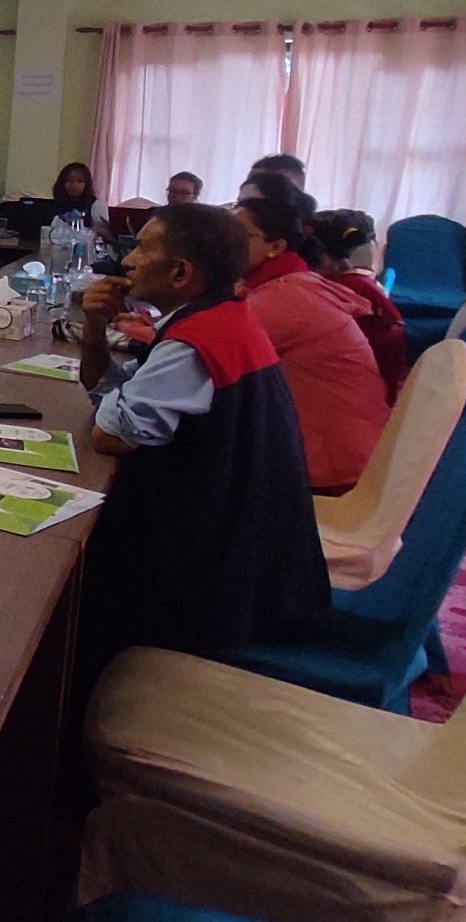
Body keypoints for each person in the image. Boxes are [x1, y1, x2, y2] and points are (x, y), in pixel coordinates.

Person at [76, 202, 329, 674]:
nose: (127, 261)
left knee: (73, 568)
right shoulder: (216, 319)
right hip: (241, 532)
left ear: (180, 273)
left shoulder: (196, 344)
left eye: (142, 250)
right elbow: (111, 394)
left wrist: (115, 404)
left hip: (216, 570)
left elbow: (110, 434)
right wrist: (93, 329)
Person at [234, 175, 391, 495]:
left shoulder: (282, 297)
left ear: (275, 247)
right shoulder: (293, 281)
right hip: (357, 454)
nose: (222, 243)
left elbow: (200, 355)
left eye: (238, 235)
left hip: (332, 472)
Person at [312, 207, 409, 400]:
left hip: (363, 397)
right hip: (385, 389)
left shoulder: (341, 291)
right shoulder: (361, 284)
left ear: (323, 256)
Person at [49, 160, 108, 231]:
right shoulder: (53, 205)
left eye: (80, 181)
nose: (74, 185)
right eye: (69, 180)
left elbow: (104, 234)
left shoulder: (96, 205)